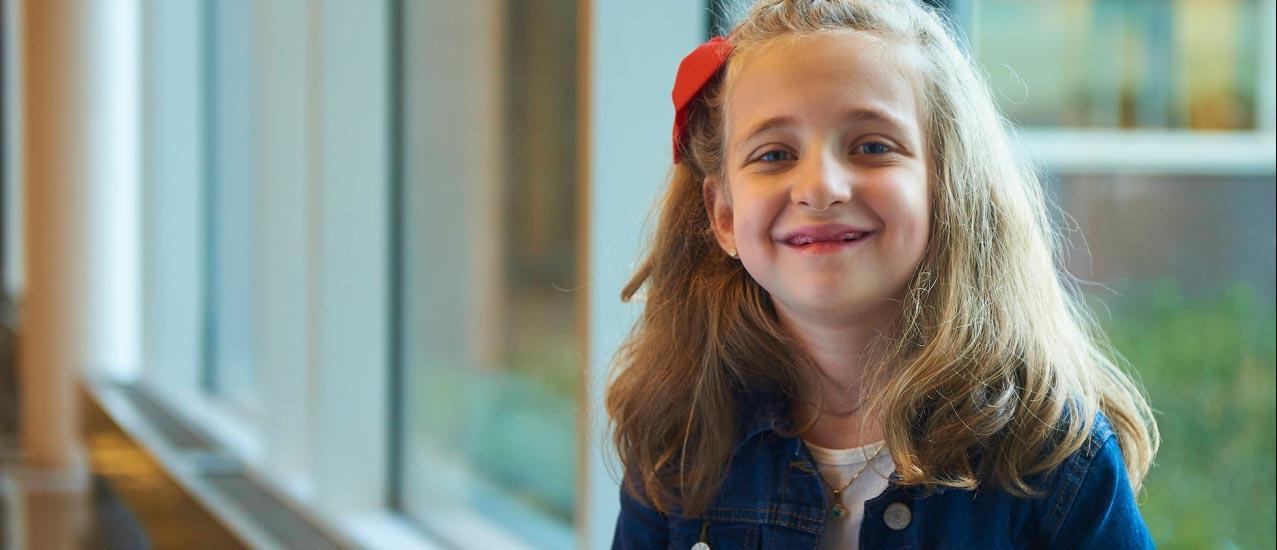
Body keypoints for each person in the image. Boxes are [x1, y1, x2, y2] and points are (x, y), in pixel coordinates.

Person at [605, 0, 1160, 548]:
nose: (820, 187)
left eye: (872, 146)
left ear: (944, 190)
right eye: (774, 155)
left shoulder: (1053, 456)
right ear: (723, 216)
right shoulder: (680, 442)